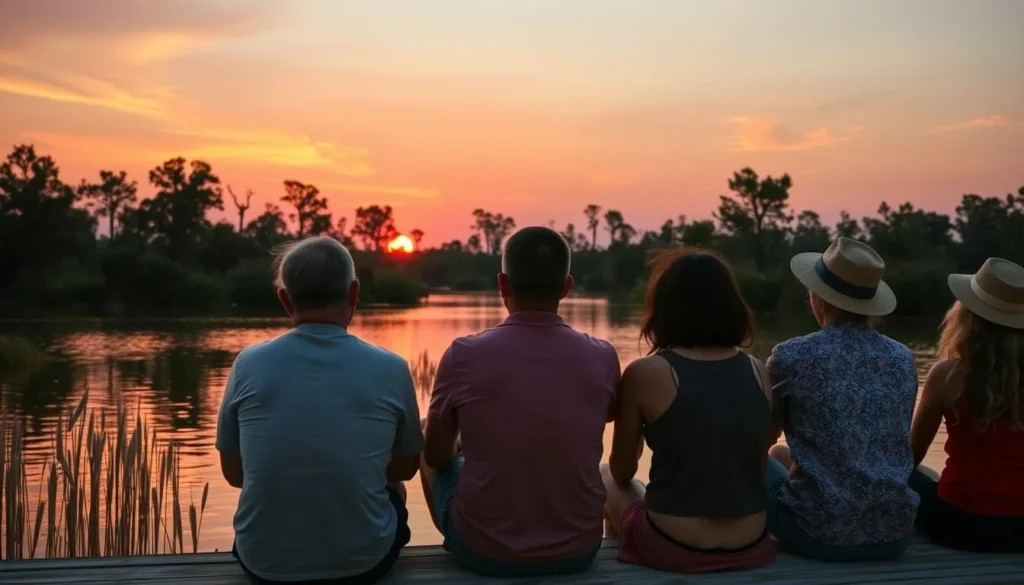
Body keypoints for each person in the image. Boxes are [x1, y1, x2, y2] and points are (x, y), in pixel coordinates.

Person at [216, 236, 424, 585]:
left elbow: (235, 474)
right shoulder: (391, 367)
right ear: (354, 294)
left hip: (263, 564)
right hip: (364, 565)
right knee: (394, 490)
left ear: (285, 299)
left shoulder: (248, 365)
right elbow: (404, 468)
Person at [419, 226, 620, 577]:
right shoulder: (603, 356)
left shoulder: (464, 355)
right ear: (567, 286)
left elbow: (436, 456)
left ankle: (461, 537)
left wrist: (461, 445)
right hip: (580, 551)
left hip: (484, 553)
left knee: (426, 435)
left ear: (502, 285)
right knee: (604, 472)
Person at [602, 249, 776, 573]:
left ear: (664, 308)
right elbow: (756, 470)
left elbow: (622, 471)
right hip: (751, 544)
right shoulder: (758, 370)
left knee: (606, 478)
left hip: (675, 547)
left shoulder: (646, 372)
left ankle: (623, 572)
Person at [766, 237, 919, 561]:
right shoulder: (903, 357)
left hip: (822, 536)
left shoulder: (792, 355)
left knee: (761, 459)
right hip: (895, 534)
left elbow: (757, 438)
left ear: (818, 297)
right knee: (781, 452)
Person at [909, 257, 1024, 552]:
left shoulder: (946, 375)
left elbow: (909, 456)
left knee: (914, 477)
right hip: (1020, 529)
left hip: (960, 525)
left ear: (968, 317)